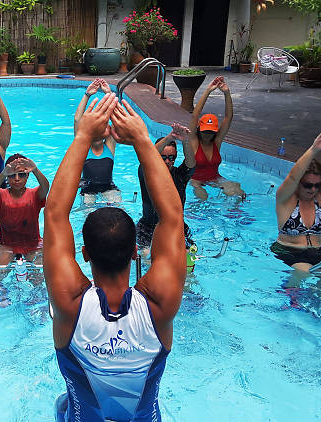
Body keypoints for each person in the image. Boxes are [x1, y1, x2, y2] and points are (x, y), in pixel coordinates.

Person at [44, 93, 185, 422]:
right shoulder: (159, 305)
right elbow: (173, 216)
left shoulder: (70, 305)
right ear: (136, 251)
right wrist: (142, 139)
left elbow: (54, 214)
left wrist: (82, 137)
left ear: (84, 254)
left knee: (64, 405)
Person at [272, 128, 321, 271]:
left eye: (318, 185)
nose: (313, 190)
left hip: (319, 252)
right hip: (289, 251)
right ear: (299, 183)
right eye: (308, 185)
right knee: (304, 272)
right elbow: (293, 176)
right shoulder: (285, 199)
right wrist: (314, 149)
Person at [137, 122, 196, 256]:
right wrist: (170, 137)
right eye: (163, 157)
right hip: (149, 228)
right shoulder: (147, 173)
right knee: (148, 257)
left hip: (176, 228)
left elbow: (191, 163)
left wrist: (186, 141)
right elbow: (147, 156)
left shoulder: (179, 175)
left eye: (171, 158)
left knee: (188, 258)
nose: (167, 161)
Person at [188, 76, 244, 200]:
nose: (208, 134)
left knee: (238, 192)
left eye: (211, 132)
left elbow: (228, 117)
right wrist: (208, 90)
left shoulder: (217, 142)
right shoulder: (194, 142)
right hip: (196, 181)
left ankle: (234, 216)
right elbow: (194, 115)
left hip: (215, 178)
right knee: (203, 197)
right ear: (199, 129)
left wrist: (227, 93)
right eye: (205, 131)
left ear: (215, 131)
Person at [0, 153, 50, 266]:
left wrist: (35, 170)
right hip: (6, 245)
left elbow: (46, 187)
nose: (17, 179)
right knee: (0, 273)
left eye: (21, 174)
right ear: (7, 177)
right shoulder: (1, 195)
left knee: (38, 277)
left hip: (33, 245)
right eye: (12, 175)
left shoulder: (34, 195)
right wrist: (3, 174)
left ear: (27, 176)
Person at [74, 78, 120, 204]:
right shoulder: (83, 147)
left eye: (105, 125)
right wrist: (87, 94)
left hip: (108, 187)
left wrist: (109, 93)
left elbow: (117, 119)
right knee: (87, 211)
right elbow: (78, 119)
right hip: (87, 188)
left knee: (118, 209)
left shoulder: (109, 146)